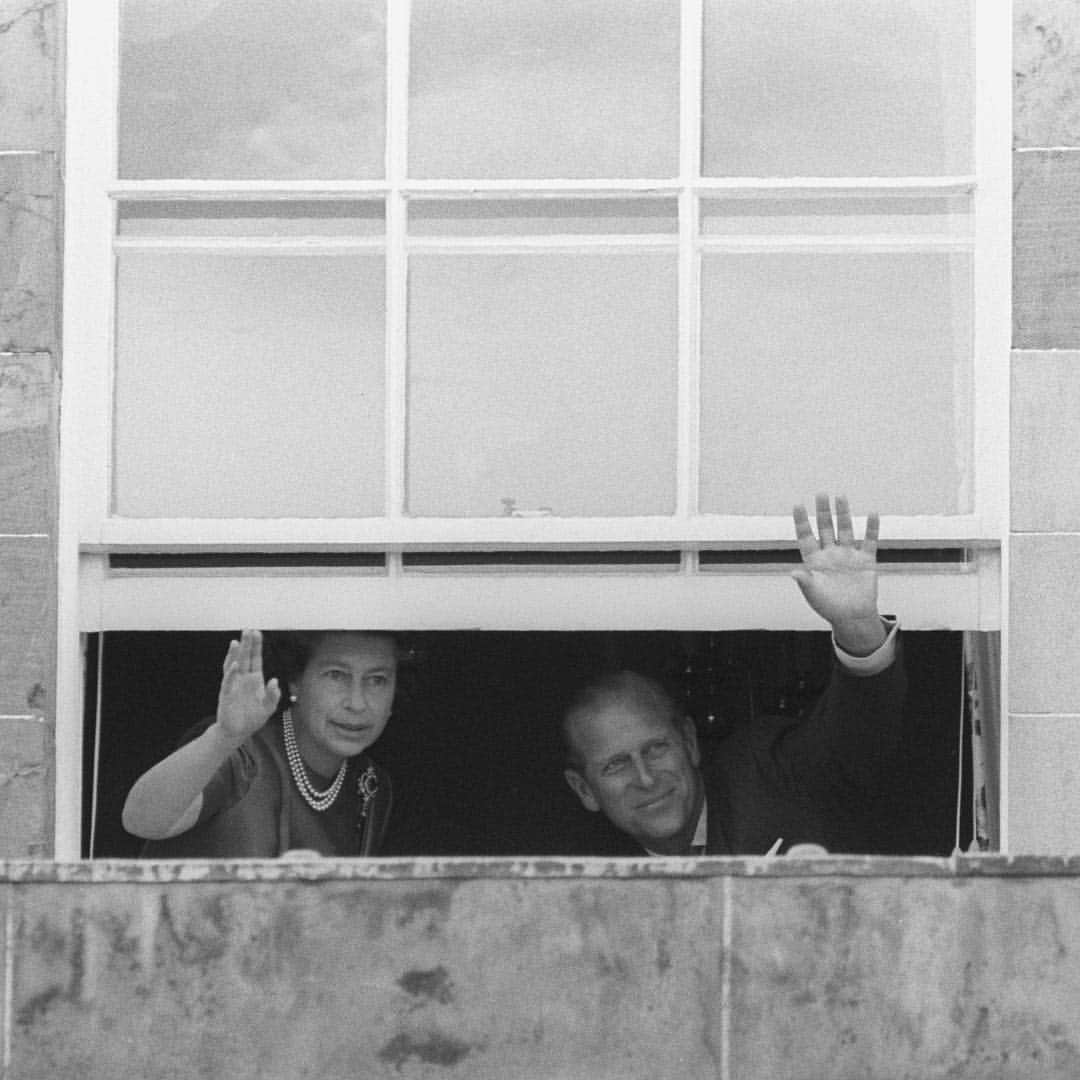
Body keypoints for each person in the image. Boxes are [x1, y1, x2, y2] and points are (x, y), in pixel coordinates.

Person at [561, 494, 906, 856]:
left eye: (656, 748)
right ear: (584, 789)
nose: (646, 778)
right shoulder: (578, 877)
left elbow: (856, 739)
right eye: (617, 765)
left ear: (690, 742)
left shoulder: (768, 773)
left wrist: (857, 629)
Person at [122, 628, 397, 857]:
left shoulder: (370, 783)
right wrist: (223, 737)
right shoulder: (240, 753)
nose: (357, 703)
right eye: (336, 675)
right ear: (296, 682)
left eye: (377, 680)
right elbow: (142, 820)